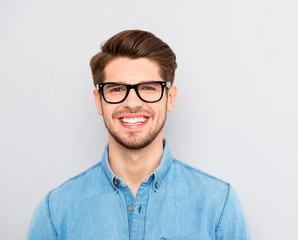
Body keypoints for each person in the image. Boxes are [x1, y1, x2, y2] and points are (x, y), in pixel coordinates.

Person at [27, 30, 250, 240]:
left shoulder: (219, 204)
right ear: (98, 101)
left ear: (170, 98)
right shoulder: (56, 211)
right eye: (116, 89)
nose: (132, 103)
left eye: (148, 88)